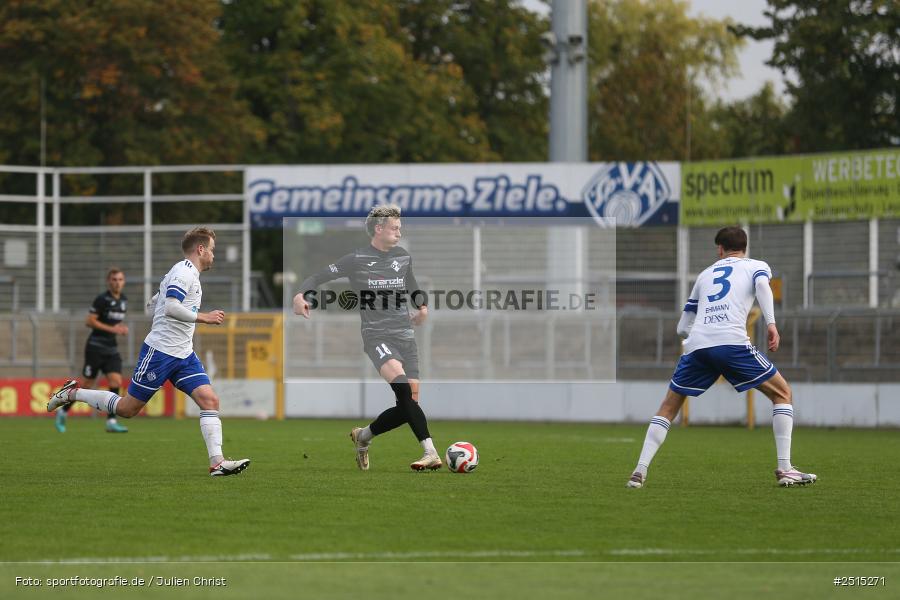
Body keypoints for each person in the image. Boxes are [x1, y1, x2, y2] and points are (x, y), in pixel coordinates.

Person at [48, 227, 250, 477]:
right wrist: (204, 318)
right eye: (211, 250)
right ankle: (73, 393)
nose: (213, 255)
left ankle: (217, 462)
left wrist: (156, 297)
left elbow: (166, 293)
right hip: (161, 352)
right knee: (127, 409)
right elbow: (172, 308)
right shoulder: (184, 272)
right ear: (200, 249)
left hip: (184, 355)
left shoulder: (183, 273)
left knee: (210, 400)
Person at [626, 226, 816, 488]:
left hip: (697, 345)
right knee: (782, 393)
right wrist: (771, 324)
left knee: (668, 408)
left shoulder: (704, 275)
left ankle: (639, 471)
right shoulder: (755, 266)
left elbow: (682, 327)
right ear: (745, 247)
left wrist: (703, 334)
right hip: (732, 343)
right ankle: (785, 468)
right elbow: (762, 285)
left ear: (720, 249)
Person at [292, 205, 440, 471]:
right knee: (404, 390)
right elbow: (318, 276)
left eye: (400, 227)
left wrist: (422, 307)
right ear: (379, 229)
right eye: (394, 227)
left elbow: (413, 286)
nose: (399, 232)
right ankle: (430, 452)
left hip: (406, 336)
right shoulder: (356, 259)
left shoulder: (403, 257)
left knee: (408, 406)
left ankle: (363, 436)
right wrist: (301, 295)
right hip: (377, 335)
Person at [55, 268, 130, 433]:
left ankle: (111, 421)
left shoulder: (123, 301)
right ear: (108, 282)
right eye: (114, 279)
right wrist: (113, 329)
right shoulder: (102, 299)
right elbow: (89, 321)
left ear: (124, 282)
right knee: (87, 385)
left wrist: (119, 328)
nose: (117, 282)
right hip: (95, 347)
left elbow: (112, 324)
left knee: (116, 382)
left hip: (111, 349)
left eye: (120, 279)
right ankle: (63, 411)